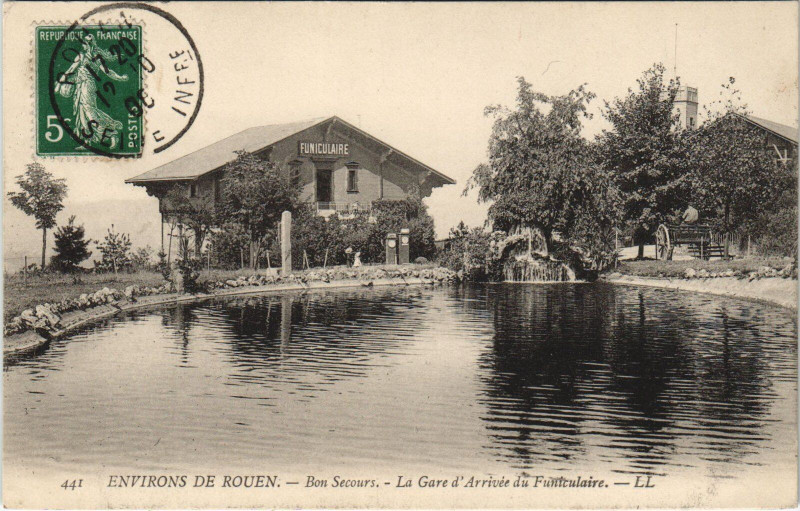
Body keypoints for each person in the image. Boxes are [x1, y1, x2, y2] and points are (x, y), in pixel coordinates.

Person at [55, 33, 129, 149]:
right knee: (82, 114)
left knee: (90, 112)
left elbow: (107, 71)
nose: (83, 45)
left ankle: (111, 133)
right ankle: (87, 141)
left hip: (88, 86)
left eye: (85, 43)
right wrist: (60, 82)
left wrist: (120, 77)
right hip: (80, 86)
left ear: (90, 45)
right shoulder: (81, 55)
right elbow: (71, 69)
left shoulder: (95, 58)